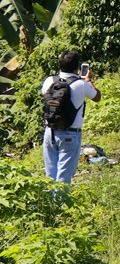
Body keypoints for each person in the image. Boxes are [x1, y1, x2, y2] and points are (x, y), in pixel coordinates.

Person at [41, 50, 100, 183]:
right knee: (64, 178)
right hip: (70, 134)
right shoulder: (81, 84)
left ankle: (48, 202)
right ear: (77, 67)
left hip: (50, 132)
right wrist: (88, 80)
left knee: (50, 175)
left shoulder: (49, 81)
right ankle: (59, 203)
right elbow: (97, 97)